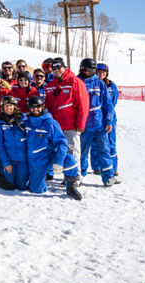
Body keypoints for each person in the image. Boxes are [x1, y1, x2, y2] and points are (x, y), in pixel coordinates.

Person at [23, 96, 82, 200]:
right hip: (35, 162)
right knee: (37, 189)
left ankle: (71, 186)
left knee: (70, 160)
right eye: (32, 107)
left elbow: (61, 143)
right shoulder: (26, 123)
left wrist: (58, 161)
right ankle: (41, 177)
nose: (35, 109)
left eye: (38, 107)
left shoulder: (50, 123)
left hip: (49, 158)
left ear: (43, 106)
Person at [43, 57, 87, 183]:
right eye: (54, 69)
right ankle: (67, 175)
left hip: (70, 124)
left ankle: (75, 177)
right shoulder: (50, 86)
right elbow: (48, 106)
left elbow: (83, 104)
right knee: (59, 151)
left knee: (72, 151)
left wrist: (80, 123)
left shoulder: (75, 82)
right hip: (56, 126)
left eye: (59, 68)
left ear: (64, 68)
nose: (56, 71)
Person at [77, 58, 118, 186]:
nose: (86, 71)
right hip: (83, 125)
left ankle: (108, 176)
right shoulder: (77, 83)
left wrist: (108, 121)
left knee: (104, 150)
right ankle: (79, 175)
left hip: (98, 124)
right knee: (81, 152)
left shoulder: (100, 84)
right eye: (84, 69)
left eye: (88, 69)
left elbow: (108, 104)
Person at [0, 96, 29, 190]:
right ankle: (1, 175)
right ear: (3, 108)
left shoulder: (23, 120)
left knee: (22, 186)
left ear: (15, 106)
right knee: (9, 186)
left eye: (11, 106)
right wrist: (6, 163)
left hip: (22, 159)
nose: (9, 108)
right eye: (6, 106)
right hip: (9, 159)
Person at [96, 62, 120, 177]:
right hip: (96, 117)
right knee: (96, 142)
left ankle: (114, 167)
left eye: (103, 73)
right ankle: (96, 166)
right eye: (98, 72)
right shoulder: (93, 84)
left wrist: (108, 116)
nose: (101, 75)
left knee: (110, 143)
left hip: (108, 117)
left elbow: (112, 103)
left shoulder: (111, 86)